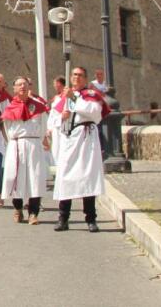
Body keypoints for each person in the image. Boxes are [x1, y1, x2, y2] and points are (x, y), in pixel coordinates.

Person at [53, 66, 109, 232]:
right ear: (70, 78)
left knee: (87, 176)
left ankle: (91, 219)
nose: (76, 78)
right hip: (69, 139)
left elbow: (95, 114)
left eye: (80, 75)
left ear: (85, 79)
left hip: (86, 138)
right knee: (65, 177)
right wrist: (61, 119)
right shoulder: (64, 97)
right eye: (74, 75)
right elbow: (54, 120)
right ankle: (63, 218)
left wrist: (75, 100)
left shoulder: (90, 95)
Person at [0, 77, 50, 225]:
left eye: (25, 84)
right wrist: (14, 142)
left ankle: (33, 213)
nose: (22, 86)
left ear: (29, 87)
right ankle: (18, 208)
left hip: (34, 143)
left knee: (35, 178)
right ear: (14, 88)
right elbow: (7, 128)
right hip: (17, 144)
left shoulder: (38, 107)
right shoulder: (10, 108)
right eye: (19, 84)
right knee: (16, 177)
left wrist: (37, 140)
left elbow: (42, 127)